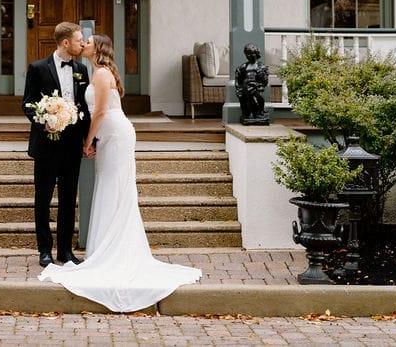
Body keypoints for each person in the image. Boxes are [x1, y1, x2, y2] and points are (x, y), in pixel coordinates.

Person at [38, 33, 202, 312]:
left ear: (97, 48)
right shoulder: (94, 72)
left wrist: (88, 141)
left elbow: (100, 113)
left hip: (116, 136)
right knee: (110, 188)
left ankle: (115, 252)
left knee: (114, 189)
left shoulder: (101, 74)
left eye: (87, 41)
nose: (84, 43)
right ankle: (106, 249)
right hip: (110, 137)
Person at [21, 22, 91, 268]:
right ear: (65, 43)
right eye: (78, 40)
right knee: (43, 198)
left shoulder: (81, 69)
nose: (82, 44)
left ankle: (65, 251)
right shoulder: (38, 68)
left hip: (72, 144)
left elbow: (85, 107)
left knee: (69, 198)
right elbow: (28, 104)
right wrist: (44, 122)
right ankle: (44, 251)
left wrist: (89, 140)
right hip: (46, 144)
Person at [234, 42, 269, 125]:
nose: (249, 56)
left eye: (252, 53)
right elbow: (238, 78)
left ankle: (259, 113)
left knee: (259, 98)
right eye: (247, 54)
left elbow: (265, 81)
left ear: (256, 53)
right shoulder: (244, 66)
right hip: (246, 87)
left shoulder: (261, 66)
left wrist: (262, 75)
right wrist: (238, 87)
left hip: (257, 87)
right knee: (249, 97)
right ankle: (250, 114)